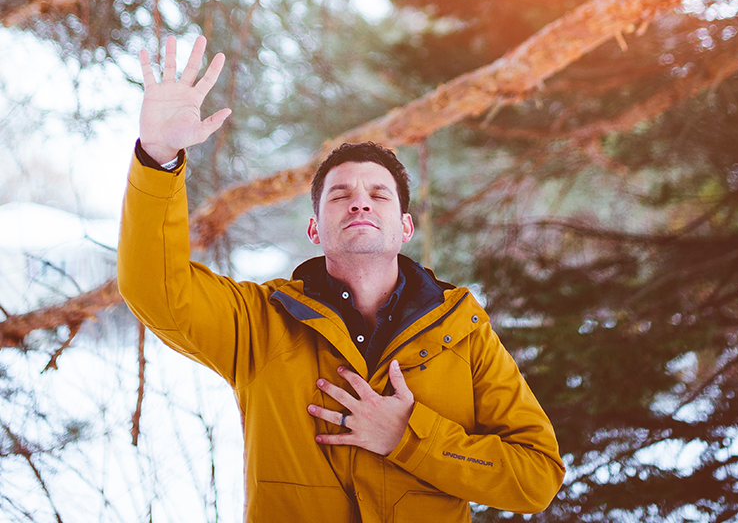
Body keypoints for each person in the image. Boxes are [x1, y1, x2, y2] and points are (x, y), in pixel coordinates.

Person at [117, 35, 565, 523]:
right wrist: (158, 157)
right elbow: (154, 288)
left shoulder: (464, 332)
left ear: (405, 227)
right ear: (315, 229)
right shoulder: (259, 323)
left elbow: (536, 477)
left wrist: (409, 437)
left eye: (379, 193)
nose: (360, 201)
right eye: (340, 195)